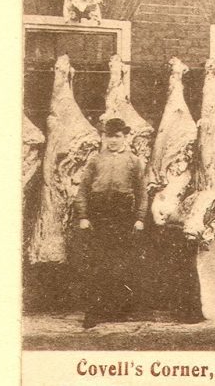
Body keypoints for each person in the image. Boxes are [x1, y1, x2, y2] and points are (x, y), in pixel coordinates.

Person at [74, 117, 148, 328]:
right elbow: (83, 190)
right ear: (103, 137)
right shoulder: (95, 160)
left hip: (122, 214)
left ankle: (116, 310)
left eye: (117, 136)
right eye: (109, 136)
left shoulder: (134, 161)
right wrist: (83, 216)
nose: (113, 140)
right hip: (99, 214)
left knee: (119, 263)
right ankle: (94, 313)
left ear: (125, 137)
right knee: (97, 263)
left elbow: (142, 192)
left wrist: (140, 218)